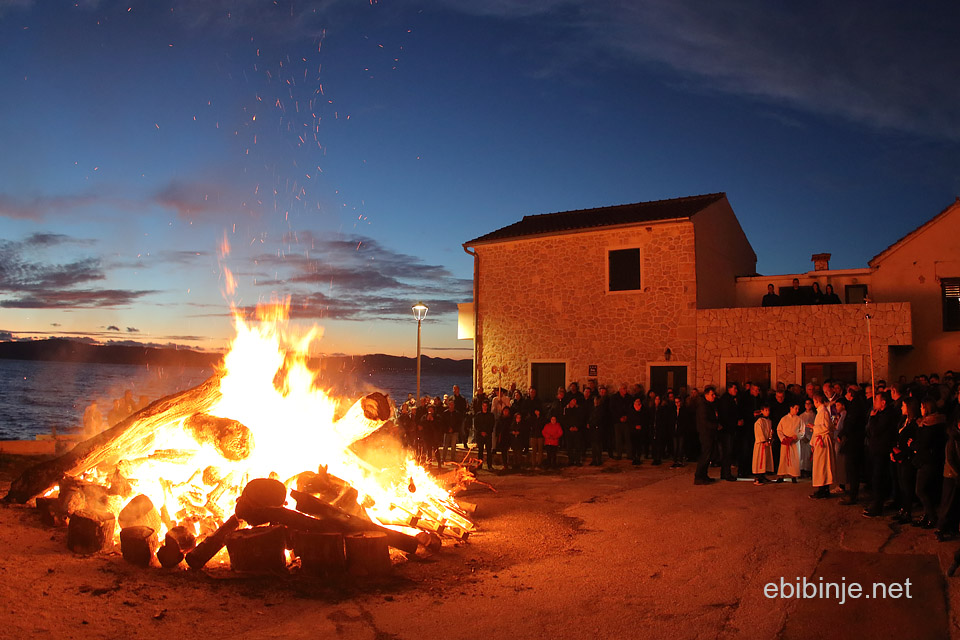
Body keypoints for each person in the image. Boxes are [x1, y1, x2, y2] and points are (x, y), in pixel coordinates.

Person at [863, 393, 899, 517]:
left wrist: (873, 418)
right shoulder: (879, 413)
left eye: (876, 400)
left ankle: (878, 506)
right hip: (875, 449)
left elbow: (875, 430)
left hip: (881, 451)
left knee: (879, 478)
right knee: (875, 477)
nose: (874, 402)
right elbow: (868, 430)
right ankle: (876, 502)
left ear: (883, 402)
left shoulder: (888, 414)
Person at [913, 397, 946, 529]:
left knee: (920, 490)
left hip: (928, 461)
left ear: (927, 408)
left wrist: (913, 444)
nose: (920, 409)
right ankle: (927, 515)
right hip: (929, 460)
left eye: (922, 407)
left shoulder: (931, 425)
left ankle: (932, 517)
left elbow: (924, 443)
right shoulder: (929, 423)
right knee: (926, 489)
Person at [890, 398, 920, 523]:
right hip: (899, 456)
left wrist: (900, 455)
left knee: (907, 486)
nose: (901, 408)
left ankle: (907, 512)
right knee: (901, 484)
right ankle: (902, 509)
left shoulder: (915, 424)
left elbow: (910, 445)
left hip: (907, 458)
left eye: (903, 406)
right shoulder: (904, 421)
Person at [839, 385, 867, 505]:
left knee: (852, 469)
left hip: (853, 441)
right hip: (855, 440)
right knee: (852, 469)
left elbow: (851, 422)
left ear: (851, 394)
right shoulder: (857, 404)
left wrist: (843, 433)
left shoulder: (855, 406)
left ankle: (853, 494)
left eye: (847, 392)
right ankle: (852, 493)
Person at [809, 392, 836, 499]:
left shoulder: (824, 412)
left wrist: (814, 427)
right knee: (820, 466)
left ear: (816, 402)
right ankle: (821, 488)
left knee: (823, 466)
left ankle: (824, 489)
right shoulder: (821, 412)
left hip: (823, 443)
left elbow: (825, 428)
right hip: (820, 442)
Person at [694, 386, 720, 484]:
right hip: (706, 434)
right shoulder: (703, 406)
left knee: (708, 455)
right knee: (705, 455)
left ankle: (703, 475)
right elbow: (704, 421)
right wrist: (715, 426)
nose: (714, 396)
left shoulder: (709, 405)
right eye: (712, 394)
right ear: (706, 395)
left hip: (710, 433)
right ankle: (699, 476)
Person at [718, 383, 742, 481]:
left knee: (727, 452)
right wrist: (736, 422)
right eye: (734, 388)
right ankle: (726, 473)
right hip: (727, 430)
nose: (736, 390)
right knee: (727, 452)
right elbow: (726, 416)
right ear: (729, 389)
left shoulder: (730, 399)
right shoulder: (726, 400)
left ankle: (725, 473)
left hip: (729, 429)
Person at [775, 401, 802, 483]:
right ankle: (781, 475)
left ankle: (794, 475)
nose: (797, 410)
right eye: (796, 408)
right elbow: (779, 430)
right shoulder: (784, 419)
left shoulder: (799, 419)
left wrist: (797, 436)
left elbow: (802, 431)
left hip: (794, 442)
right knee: (783, 458)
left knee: (795, 458)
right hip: (786, 442)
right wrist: (783, 438)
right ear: (791, 408)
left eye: (798, 409)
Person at [609, 384, 633, 460]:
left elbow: (631, 408)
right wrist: (619, 418)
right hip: (617, 421)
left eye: (625, 388)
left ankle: (629, 454)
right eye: (623, 388)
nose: (625, 390)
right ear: (619, 389)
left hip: (627, 421)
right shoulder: (614, 398)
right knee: (618, 438)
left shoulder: (629, 398)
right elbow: (612, 409)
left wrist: (626, 417)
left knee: (628, 438)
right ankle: (619, 454)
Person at [752, 404, 774, 484]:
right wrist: (763, 441)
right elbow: (758, 432)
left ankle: (763, 475)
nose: (767, 412)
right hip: (761, 444)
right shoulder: (759, 421)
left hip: (766, 443)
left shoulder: (769, 421)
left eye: (768, 410)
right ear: (762, 411)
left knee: (765, 459)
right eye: (766, 410)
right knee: (759, 460)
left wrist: (770, 439)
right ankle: (757, 477)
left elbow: (770, 431)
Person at [473, 400, 495, 471]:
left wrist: (486, 432)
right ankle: (479, 465)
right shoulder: (478, 415)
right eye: (483, 406)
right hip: (480, 435)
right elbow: (476, 425)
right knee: (480, 451)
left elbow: (492, 425)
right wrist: (481, 432)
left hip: (488, 435)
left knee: (489, 451)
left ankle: (489, 465)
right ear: (482, 406)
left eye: (486, 406)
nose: (485, 407)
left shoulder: (491, 415)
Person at [799, 399, 816, 478]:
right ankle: (802, 470)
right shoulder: (801, 416)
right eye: (806, 403)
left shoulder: (814, 415)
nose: (808, 405)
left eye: (809, 403)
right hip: (803, 438)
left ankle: (809, 470)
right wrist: (802, 437)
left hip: (811, 437)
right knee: (802, 454)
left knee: (809, 454)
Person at [439, 399, 459, 464]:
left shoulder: (456, 413)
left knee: (453, 446)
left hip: (454, 431)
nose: (451, 406)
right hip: (447, 431)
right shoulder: (445, 413)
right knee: (445, 446)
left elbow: (458, 422)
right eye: (450, 404)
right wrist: (447, 429)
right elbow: (443, 423)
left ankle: (452, 459)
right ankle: (443, 459)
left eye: (452, 404)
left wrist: (453, 428)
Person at [587, 395, 604, 466]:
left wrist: (592, 424)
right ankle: (594, 459)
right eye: (595, 400)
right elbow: (590, 417)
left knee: (597, 445)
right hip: (592, 429)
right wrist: (588, 423)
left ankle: (599, 460)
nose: (596, 402)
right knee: (593, 445)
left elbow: (599, 419)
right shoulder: (592, 409)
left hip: (597, 429)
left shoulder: (601, 409)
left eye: (597, 400)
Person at [629, 397, 645, 466]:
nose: (638, 402)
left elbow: (645, 420)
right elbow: (629, 421)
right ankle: (634, 458)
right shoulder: (631, 411)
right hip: (633, 431)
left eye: (639, 401)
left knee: (639, 445)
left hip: (640, 431)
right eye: (637, 401)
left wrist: (641, 426)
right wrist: (634, 426)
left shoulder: (643, 411)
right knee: (634, 445)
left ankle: (638, 458)